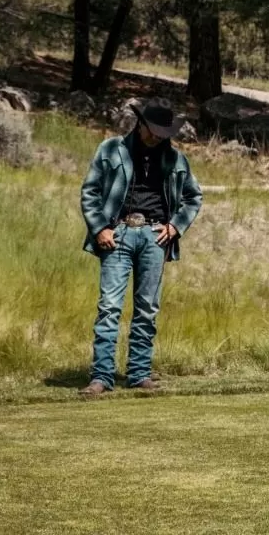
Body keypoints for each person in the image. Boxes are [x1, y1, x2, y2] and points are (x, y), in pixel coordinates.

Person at [78, 97, 203, 397]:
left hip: (155, 236)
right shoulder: (111, 149)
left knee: (147, 309)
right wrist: (100, 228)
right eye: (155, 131)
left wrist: (175, 226)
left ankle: (139, 373)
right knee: (109, 307)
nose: (158, 137)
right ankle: (101, 377)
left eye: (164, 133)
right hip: (117, 233)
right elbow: (90, 191)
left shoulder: (175, 159)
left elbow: (194, 197)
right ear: (141, 124)